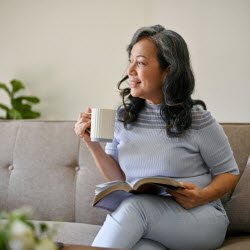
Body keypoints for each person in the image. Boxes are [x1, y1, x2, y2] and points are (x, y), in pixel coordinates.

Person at [74, 25, 240, 250]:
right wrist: (91, 143)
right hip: (151, 222)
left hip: (200, 217)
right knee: (140, 245)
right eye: (130, 60)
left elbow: (229, 173)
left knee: (135, 208)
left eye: (140, 62)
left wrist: (201, 196)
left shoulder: (197, 119)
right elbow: (119, 177)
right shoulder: (124, 117)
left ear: (168, 70)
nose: (130, 70)